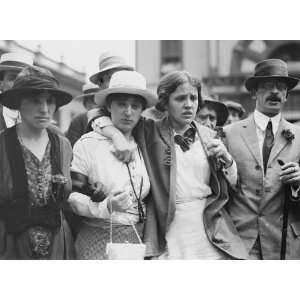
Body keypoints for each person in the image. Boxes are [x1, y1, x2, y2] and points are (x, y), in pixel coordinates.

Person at [92, 70, 248, 259]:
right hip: (169, 224)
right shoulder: (149, 130)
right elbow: (97, 116)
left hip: (210, 225)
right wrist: (116, 136)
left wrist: (228, 160)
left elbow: (233, 187)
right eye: (180, 98)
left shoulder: (210, 135)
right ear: (165, 102)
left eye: (193, 98)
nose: (189, 105)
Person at [68, 71, 157, 259]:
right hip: (96, 239)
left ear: (142, 110)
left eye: (135, 106)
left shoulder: (143, 144)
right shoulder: (88, 143)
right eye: (122, 104)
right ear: (109, 105)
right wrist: (105, 206)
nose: (128, 112)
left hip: (136, 241)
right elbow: (71, 197)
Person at [224, 59, 300, 259]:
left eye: (281, 87)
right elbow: (218, 191)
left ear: (286, 95)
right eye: (267, 86)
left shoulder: (299, 136)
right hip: (240, 242)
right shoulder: (229, 134)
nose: (274, 92)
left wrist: (298, 184)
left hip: (284, 244)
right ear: (254, 92)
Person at [0, 66, 75, 259]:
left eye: (50, 101)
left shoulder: (62, 145)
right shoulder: (2, 144)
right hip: (10, 244)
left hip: (58, 244)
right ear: (18, 103)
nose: (44, 109)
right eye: (35, 101)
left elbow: (67, 196)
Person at [0, 52, 34, 133]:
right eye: (12, 78)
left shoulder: (38, 119)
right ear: (1, 84)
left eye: (24, 79)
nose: (19, 84)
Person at [65, 82, 99, 147]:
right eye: (91, 101)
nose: (94, 106)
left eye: (97, 101)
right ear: (85, 104)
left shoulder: (110, 118)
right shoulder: (78, 120)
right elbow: (73, 146)